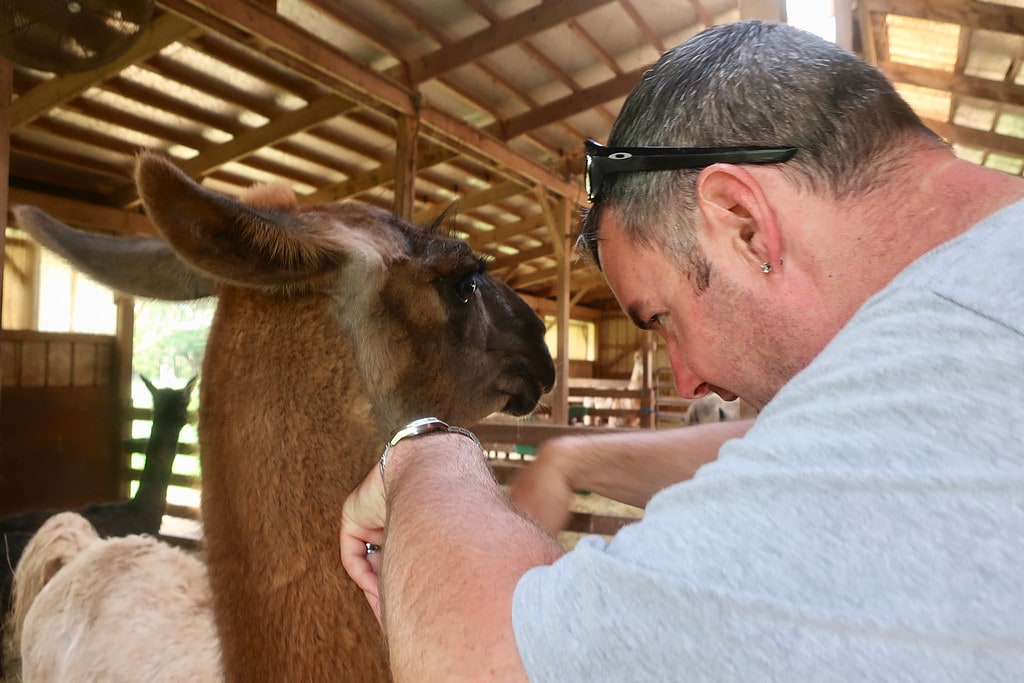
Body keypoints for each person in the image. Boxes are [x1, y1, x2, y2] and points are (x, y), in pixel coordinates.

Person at [340, 18, 1024, 682]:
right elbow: (793, 441)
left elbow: (478, 661)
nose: (688, 382)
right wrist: (579, 456)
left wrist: (425, 448)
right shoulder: (975, 312)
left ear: (744, 224)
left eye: (661, 318)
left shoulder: (934, 371)